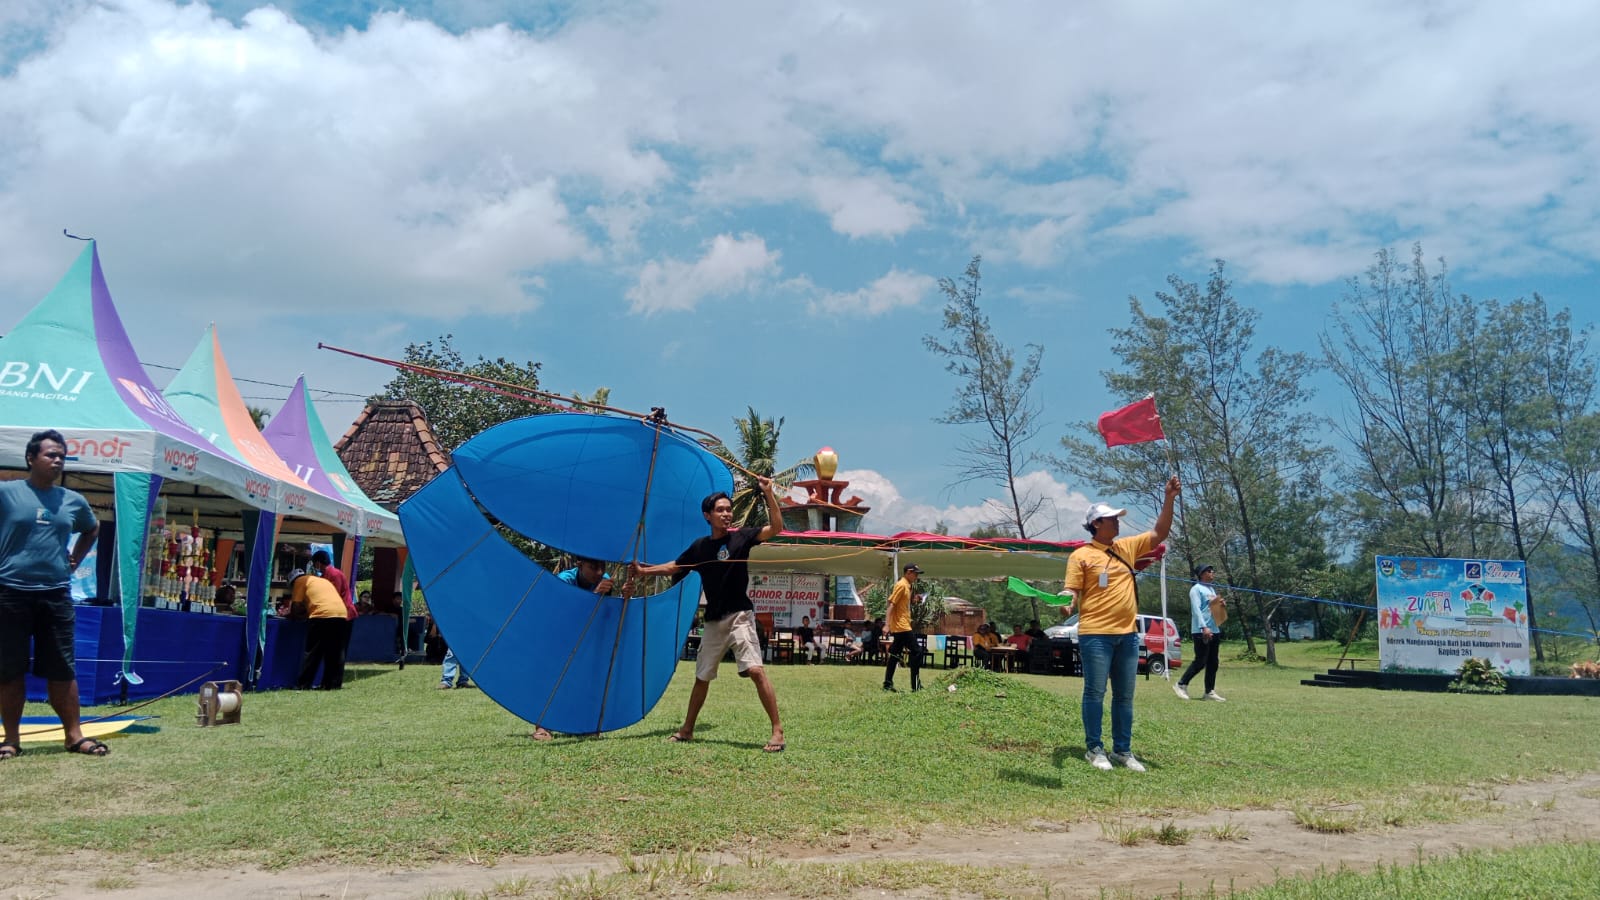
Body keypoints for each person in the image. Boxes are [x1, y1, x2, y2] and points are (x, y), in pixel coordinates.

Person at [630, 477, 786, 753]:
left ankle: (777, 731)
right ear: (707, 515)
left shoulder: (742, 537)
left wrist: (769, 493)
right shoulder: (700, 547)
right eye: (721, 510)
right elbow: (673, 567)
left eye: (729, 509)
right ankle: (687, 730)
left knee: (755, 670)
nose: (727, 514)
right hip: (713, 620)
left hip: (740, 615)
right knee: (702, 677)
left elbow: (776, 527)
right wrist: (644, 572)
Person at [1063, 476, 1180, 773]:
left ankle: (1122, 750)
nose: (1117, 523)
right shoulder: (1080, 556)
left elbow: (1159, 532)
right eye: (1112, 519)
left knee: (1125, 696)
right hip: (1095, 636)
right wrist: (1066, 600)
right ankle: (1094, 748)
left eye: (1116, 519)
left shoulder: (1126, 548)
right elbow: (1071, 590)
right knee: (1095, 692)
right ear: (1096, 524)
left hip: (1128, 636)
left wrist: (1170, 498)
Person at [1, 430, 105, 759]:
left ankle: (74, 737)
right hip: (10, 593)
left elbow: (92, 528)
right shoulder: (7, 493)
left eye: (61, 455)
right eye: (50, 454)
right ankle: (11, 740)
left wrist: (73, 559)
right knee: (9, 669)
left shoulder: (72, 500)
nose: (57, 460)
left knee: (62, 668)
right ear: (31, 459)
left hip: (56, 595)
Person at [287, 568, 349, 690]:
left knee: (313, 652)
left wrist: (297, 616)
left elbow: (295, 609)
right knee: (335, 652)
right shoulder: (321, 581)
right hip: (341, 614)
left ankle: (304, 684)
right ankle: (332, 684)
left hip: (321, 616)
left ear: (292, 581)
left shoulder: (300, 582)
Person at [1175, 564, 1226, 702]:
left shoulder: (1211, 589)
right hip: (1201, 631)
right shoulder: (1196, 589)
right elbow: (1196, 610)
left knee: (1213, 662)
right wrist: (1204, 627)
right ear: (1202, 574)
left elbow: (1211, 608)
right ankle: (1181, 684)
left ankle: (1209, 692)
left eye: (1212, 570)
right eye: (1209, 571)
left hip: (1214, 630)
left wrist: (1221, 606)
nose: (1212, 572)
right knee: (1200, 661)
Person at [882, 565, 923, 691]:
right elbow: (891, 605)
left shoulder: (907, 586)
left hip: (902, 624)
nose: (916, 577)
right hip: (901, 626)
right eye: (915, 574)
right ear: (908, 573)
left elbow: (901, 603)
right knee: (917, 651)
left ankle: (888, 683)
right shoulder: (901, 585)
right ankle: (915, 685)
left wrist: (914, 600)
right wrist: (887, 624)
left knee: (894, 654)